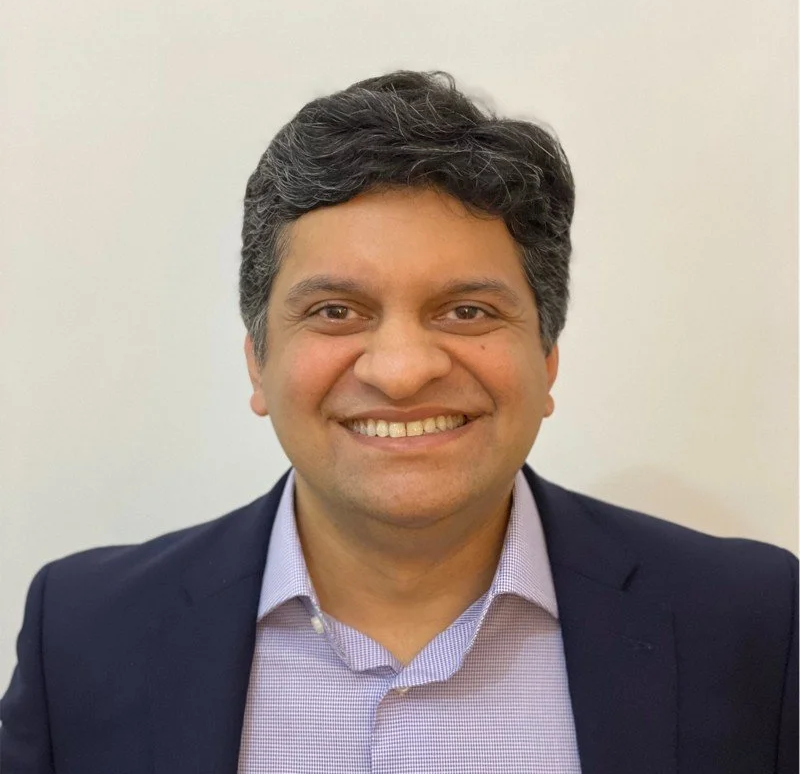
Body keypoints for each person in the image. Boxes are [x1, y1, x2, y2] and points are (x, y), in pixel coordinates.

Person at [1, 70, 796, 774]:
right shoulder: (84, 635)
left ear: (547, 358)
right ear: (258, 363)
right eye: (337, 310)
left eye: (467, 310)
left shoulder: (753, 626)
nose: (403, 368)